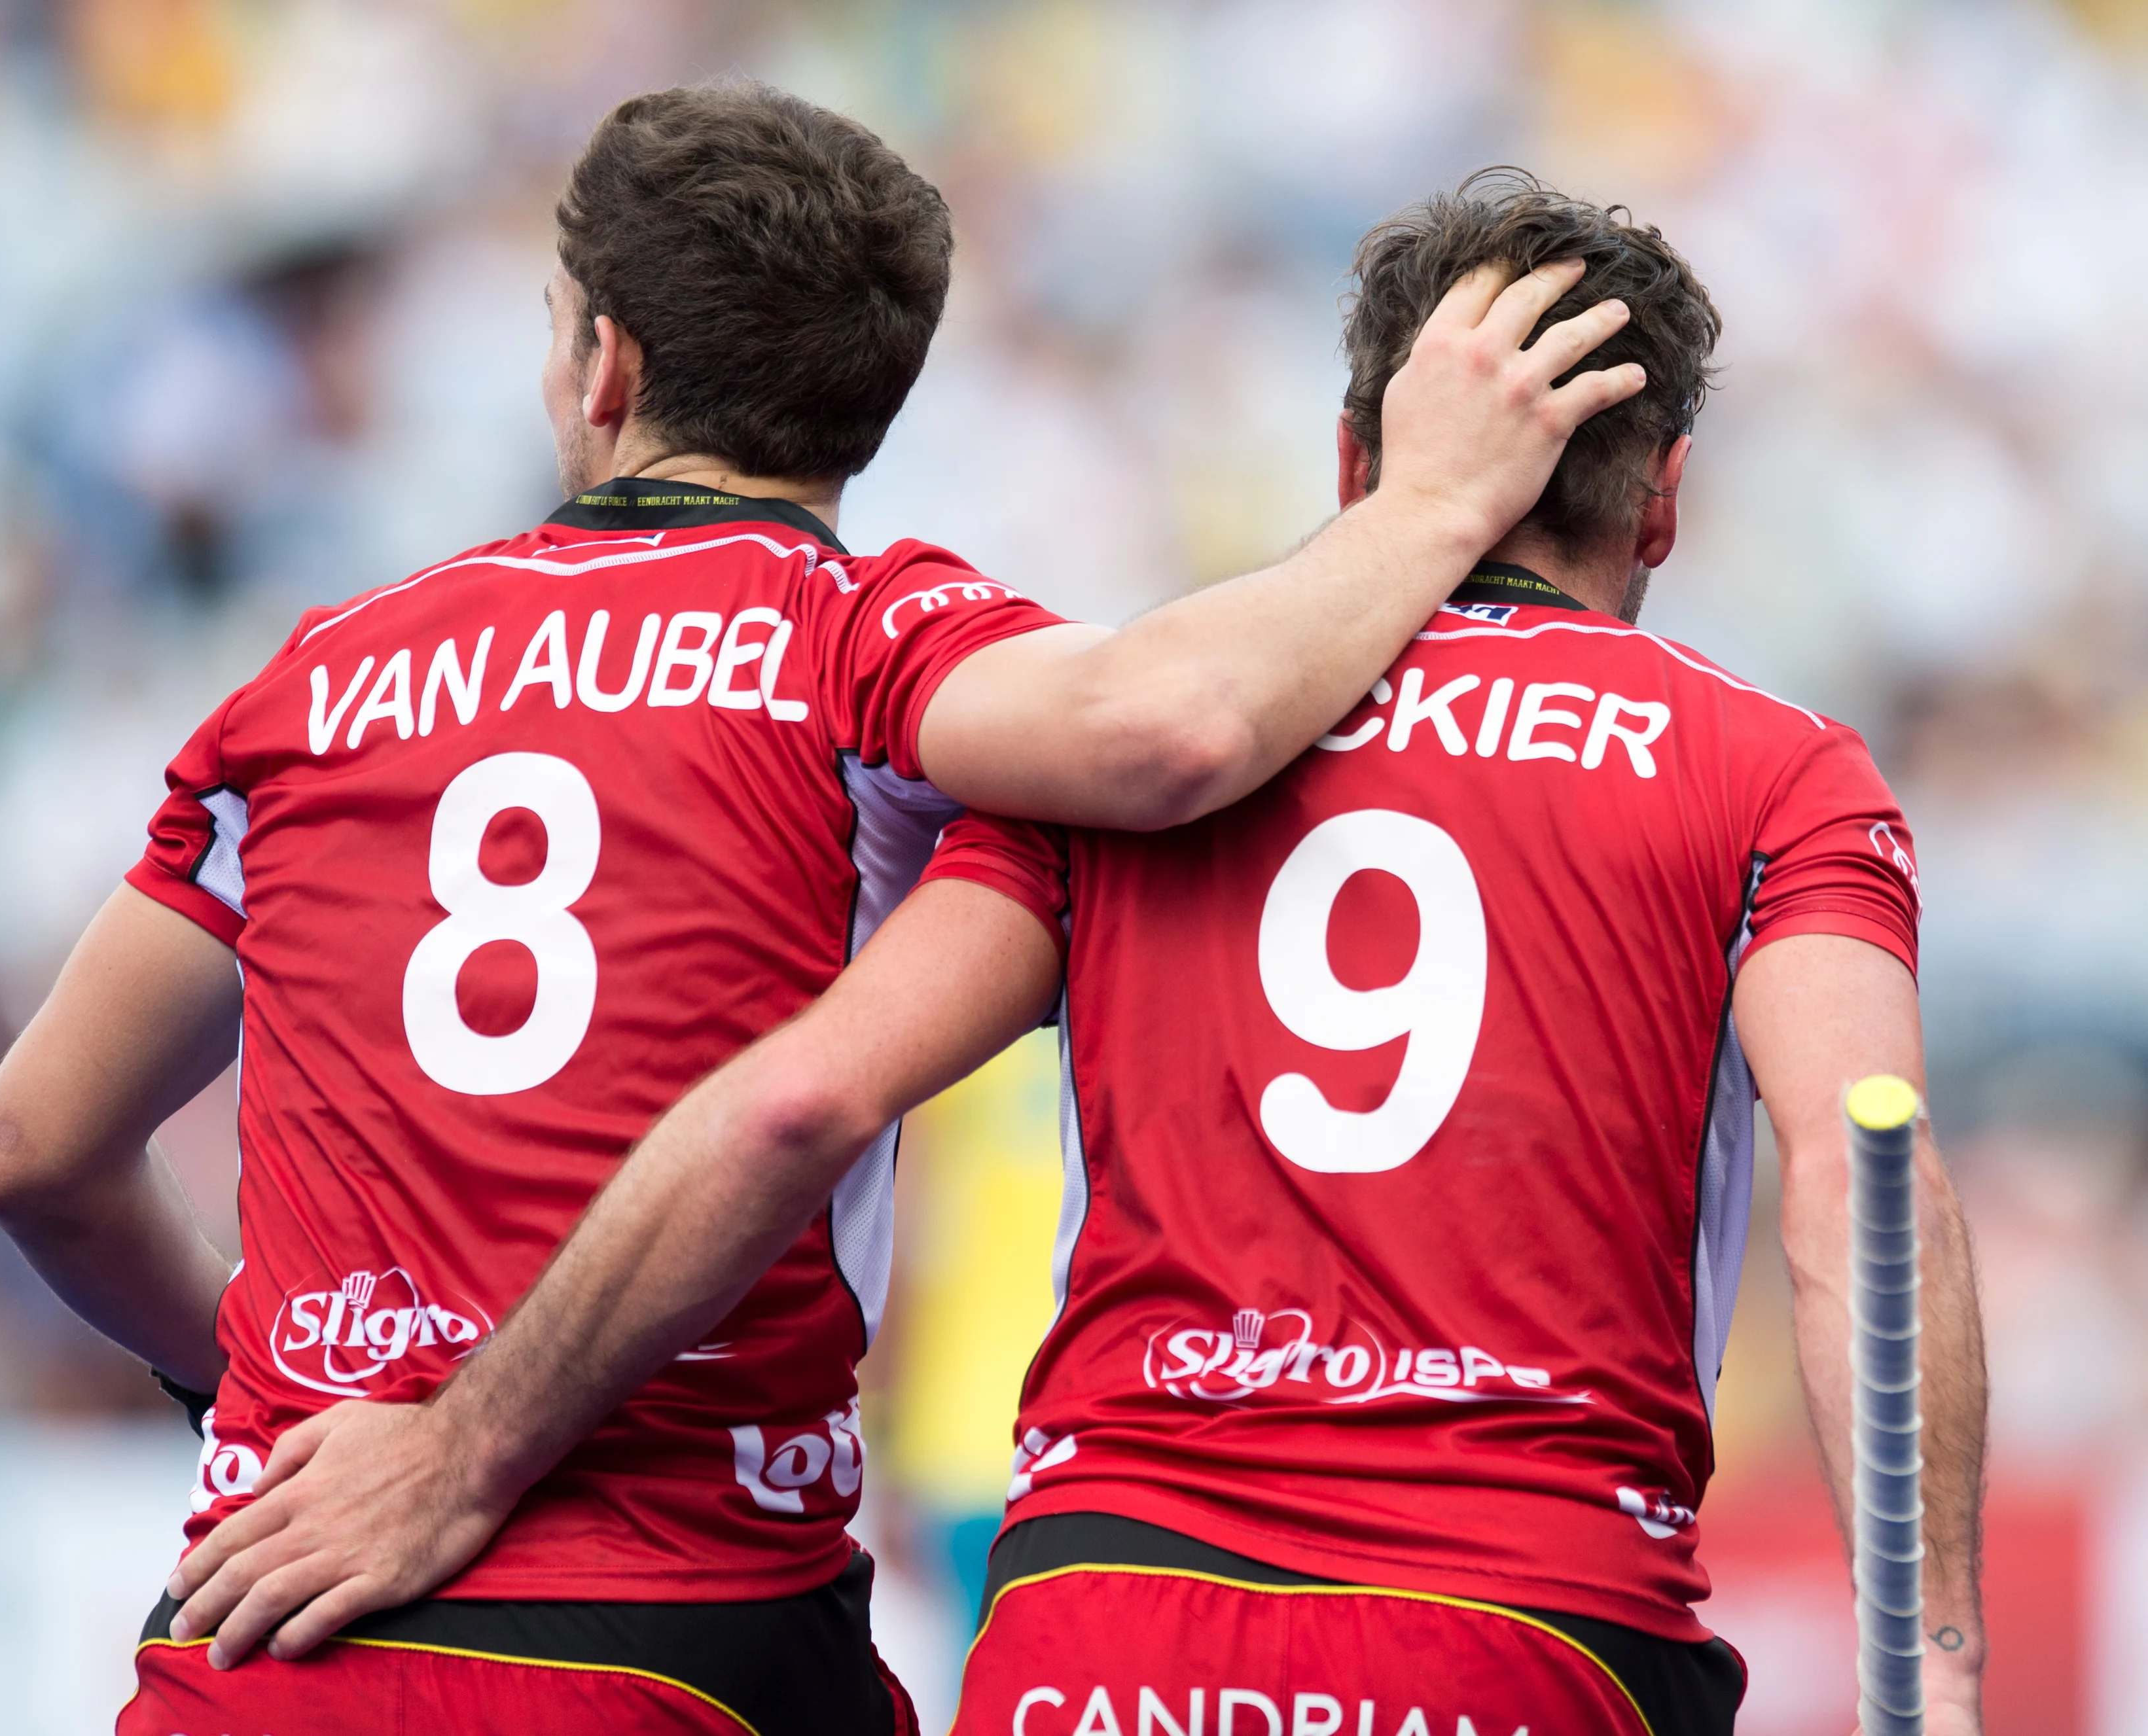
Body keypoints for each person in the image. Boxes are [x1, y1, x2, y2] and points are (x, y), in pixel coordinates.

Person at [165, 172, 1988, 1735]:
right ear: (1663, 497)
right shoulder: (1772, 770)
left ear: (1355, 456)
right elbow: (1863, 1179)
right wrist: (1938, 1674)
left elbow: (797, 1096)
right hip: (1518, 1615)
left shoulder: (1130, 759)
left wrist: (472, 1440)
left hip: (1100, 1622)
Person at [0, 83, 1641, 1736]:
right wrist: (1434, 505)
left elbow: (35, 1149)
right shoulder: (854, 642)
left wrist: (265, 1389)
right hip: (678, 1624)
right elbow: (1169, 727)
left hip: (272, 1627)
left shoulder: (318, 677)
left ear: (601, 365)